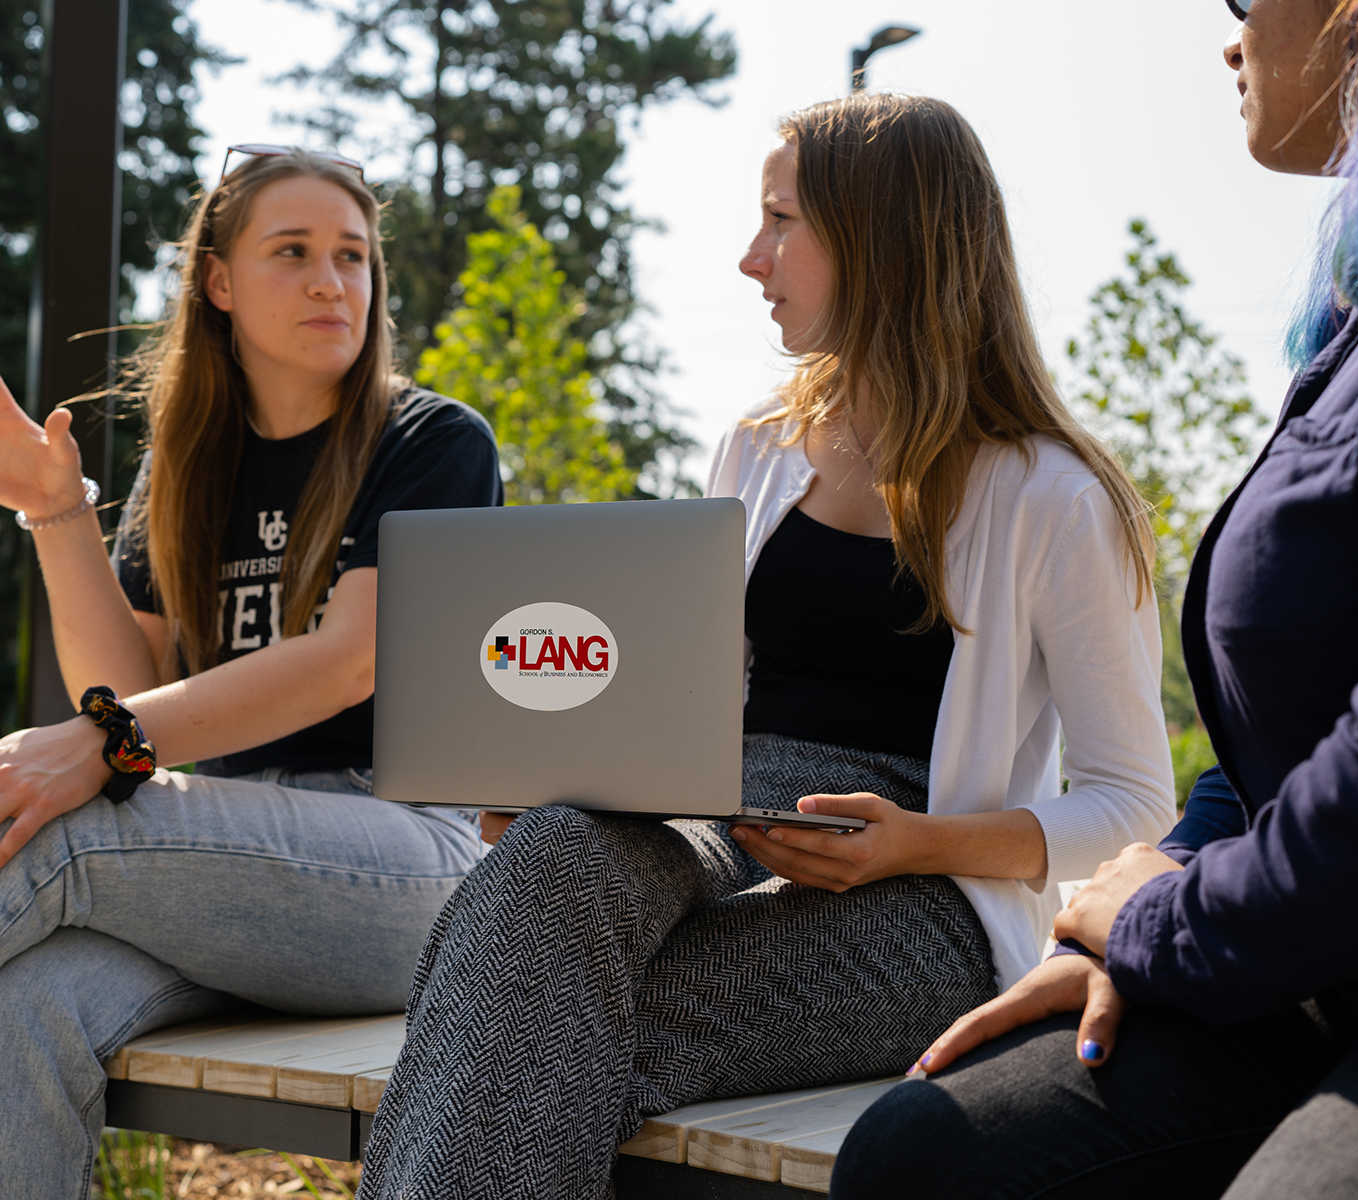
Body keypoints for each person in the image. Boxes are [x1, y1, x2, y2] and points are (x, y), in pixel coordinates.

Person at [356, 93, 1176, 1200]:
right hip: (726, 804)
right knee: (543, 871)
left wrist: (913, 844)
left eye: (781, 222)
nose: (751, 259)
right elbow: (692, 703)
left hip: (929, 896)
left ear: (885, 240)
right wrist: (577, 776)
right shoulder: (754, 446)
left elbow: (1133, 808)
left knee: (522, 1018)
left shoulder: (1055, 498)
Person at [830, 4, 1358, 1198]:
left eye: (781, 222)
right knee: (922, 1153)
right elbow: (1273, 735)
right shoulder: (1344, 334)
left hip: (1309, 923)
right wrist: (1168, 880)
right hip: (1306, 945)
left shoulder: (1051, 496)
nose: (1226, 38)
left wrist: (1151, 926)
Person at [0, 146, 501, 1200]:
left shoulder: (431, 441)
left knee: (64, 826)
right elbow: (126, 689)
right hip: (219, 866)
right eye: (295, 251)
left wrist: (97, 745)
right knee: (25, 1010)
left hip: (409, 859)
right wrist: (55, 513)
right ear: (219, 282)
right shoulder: (184, 470)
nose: (334, 280)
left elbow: (349, 662)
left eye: (354, 256)